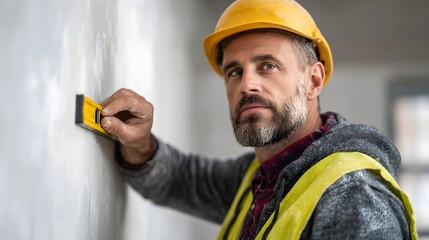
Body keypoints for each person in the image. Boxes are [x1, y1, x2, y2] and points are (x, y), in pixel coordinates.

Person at [100, 0, 417, 239]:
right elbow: (183, 180)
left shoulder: (353, 198)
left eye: (267, 65)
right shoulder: (261, 176)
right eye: (234, 71)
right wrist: (140, 144)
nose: (246, 84)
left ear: (314, 80)